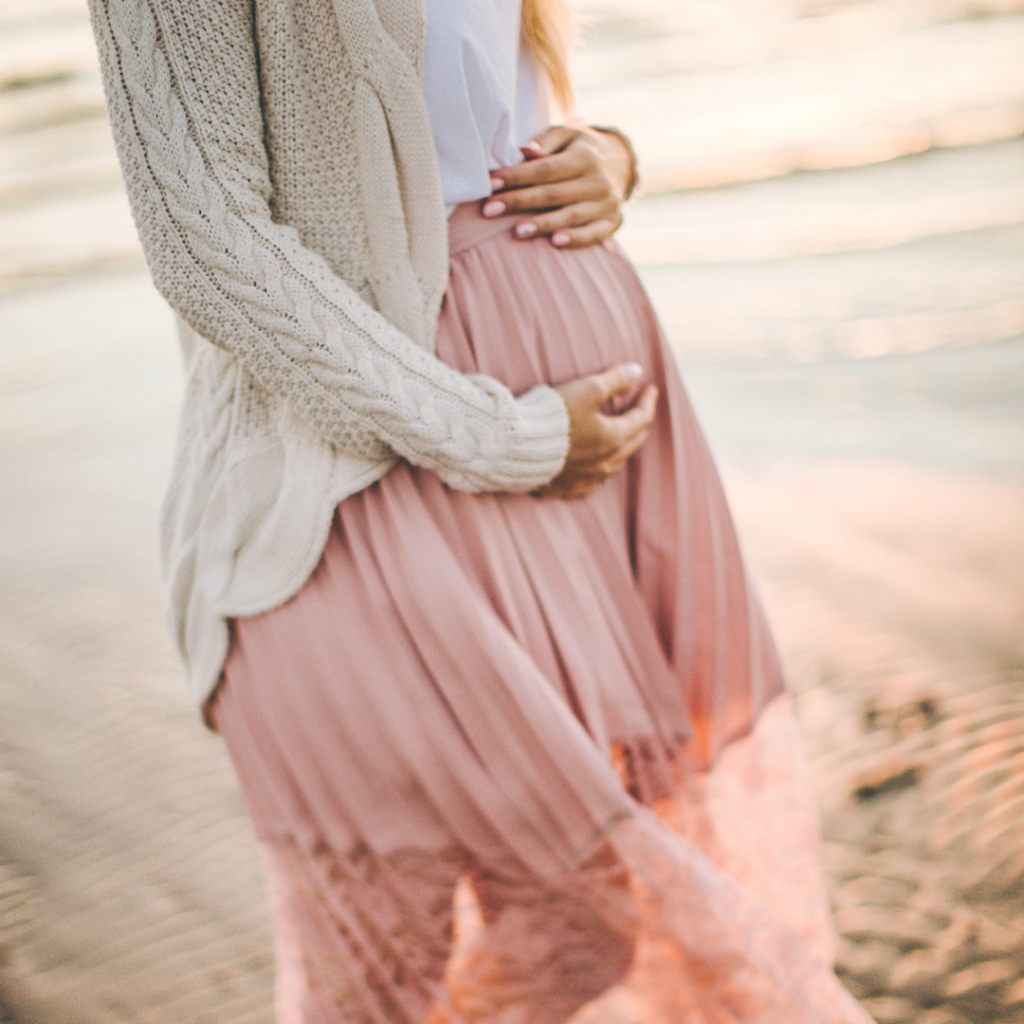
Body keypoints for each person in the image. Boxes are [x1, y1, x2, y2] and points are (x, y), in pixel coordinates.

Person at [89, 0, 875, 1021]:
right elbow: (207, 241)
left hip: (570, 485)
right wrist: (497, 438)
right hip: (358, 476)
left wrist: (604, 154)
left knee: (580, 927)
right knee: (385, 964)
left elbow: (482, 103)